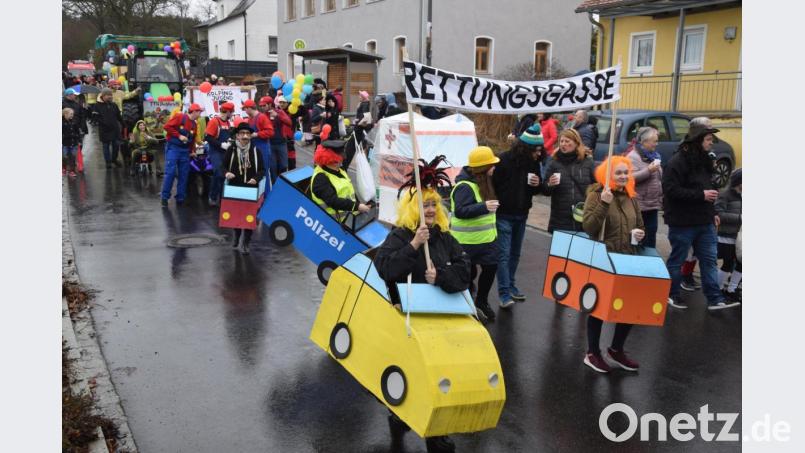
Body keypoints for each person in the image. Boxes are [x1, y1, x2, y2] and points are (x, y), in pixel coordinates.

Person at [374, 157, 470, 453]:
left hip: (442, 317)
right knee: (413, 372)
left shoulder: (444, 236)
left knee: (440, 375)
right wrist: (414, 245)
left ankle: (436, 433)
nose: (430, 211)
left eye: (433, 205)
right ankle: (401, 411)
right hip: (410, 318)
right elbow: (386, 269)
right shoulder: (400, 235)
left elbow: (467, 271)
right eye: (424, 205)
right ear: (413, 208)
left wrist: (440, 276)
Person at [662, 122, 740, 311]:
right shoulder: (677, 162)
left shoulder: (705, 161)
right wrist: (701, 195)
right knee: (678, 259)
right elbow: (670, 191)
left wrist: (712, 212)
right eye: (708, 139)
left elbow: (710, 190)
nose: (711, 143)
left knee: (709, 261)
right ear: (697, 141)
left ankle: (715, 299)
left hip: (705, 221)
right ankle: (671, 294)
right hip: (682, 222)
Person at [581, 156, 645, 373]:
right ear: (607, 175)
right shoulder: (596, 195)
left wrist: (639, 233)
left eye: (625, 172)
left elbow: (640, 226)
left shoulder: (631, 198)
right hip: (604, 259)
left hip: (627, 258)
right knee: (599, 308)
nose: (623, 176)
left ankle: (616, 350)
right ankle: (592, 353)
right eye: (618, 173)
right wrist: (604, 204)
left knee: (629, 307)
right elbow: (589, 227)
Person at [492, 124, 543, 308]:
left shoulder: (534, 163)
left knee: (515, 254)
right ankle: (504, 294)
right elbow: (493, 185)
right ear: (526, 148)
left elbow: (538, 188)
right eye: (536, 150)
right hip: (503, 214)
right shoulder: (503, 160)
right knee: (504, 255)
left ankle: (511, 286)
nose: (539, 154)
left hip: (522, 214)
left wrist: (538, 184)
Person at [450, 146, 500, 322]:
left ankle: (481, 301)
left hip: (487, 241)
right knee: (468, 275)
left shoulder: (484, 182)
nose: (495, 168)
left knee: (491, 267)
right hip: (467, 243)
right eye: (492, 165)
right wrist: (484, 207)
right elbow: (460, 211)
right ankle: (468, 304)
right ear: (484, 168)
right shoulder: (464, 186)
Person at [542, 129, 596, 233]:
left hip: (583, 216)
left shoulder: (587, 162)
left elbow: (597, 185)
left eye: (567, 141)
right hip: (560, 218)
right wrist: (550, 184)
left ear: (576, 143)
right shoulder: (554, 162)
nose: (563, 144)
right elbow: (545, 190)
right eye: (561, 141)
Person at [224, 122, 266, 255]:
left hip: (250, 188)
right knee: (236, 217)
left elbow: (262, 170)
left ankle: (246, 243)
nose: (245, 136)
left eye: (248, 134)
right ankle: (236, 236)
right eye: (242, 133)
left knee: (249, 218)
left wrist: (255, 179)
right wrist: (227, 173)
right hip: (235, 187)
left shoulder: (256, 151)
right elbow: (222, 166)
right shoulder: (231, 150)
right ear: (237, 135)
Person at [310, 140, 371, 221]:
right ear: (333, 160)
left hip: (350, 219)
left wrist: (358, 204)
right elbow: (333, 201)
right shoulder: (320, 178)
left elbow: (350, 149)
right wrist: (357, 206)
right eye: (341, 158)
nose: (343, 159)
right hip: (334, 224)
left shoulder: (340, 169)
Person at [160, 103, 203, 207]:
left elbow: (192, 140)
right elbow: (167, 127)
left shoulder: (194, 124)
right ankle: (165, 198)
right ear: (194, 111)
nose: (200, 114)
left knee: (184, 175)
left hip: (185, 151)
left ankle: (180, 198)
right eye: (199, 112)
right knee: (170, 173)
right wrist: (179, 135)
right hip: (173, 148)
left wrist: (192, 151)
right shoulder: (180, 117)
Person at [627, 126, 663, 248]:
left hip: (652, 205)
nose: (656, 144)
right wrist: (648, 170)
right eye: (654, 141)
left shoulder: (654, 156)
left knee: (650, 238)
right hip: (640, 206)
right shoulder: (633, 157)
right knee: (639, 240)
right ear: (645, 141)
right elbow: (629, 178)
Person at [715, 168, 742, 302]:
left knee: (741, 264)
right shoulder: (725, 195)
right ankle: (718, 289)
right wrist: (739, 218)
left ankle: (732, 289)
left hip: (739, 238)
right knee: (728, 262)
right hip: (726, 236)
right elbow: (718, 213)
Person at [205, 101, 235, 206]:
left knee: (225, 175)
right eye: (231, 112)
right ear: (227, 112)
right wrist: (221, 145)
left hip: (226, 152)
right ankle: (213, 197)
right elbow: (207, 137)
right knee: (218, 174)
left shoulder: (228, 123)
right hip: (215, 152)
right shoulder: (214, 121)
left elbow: (229, 136)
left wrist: (230, 141)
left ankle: (223, 199)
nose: (232, 114)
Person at [91, 88, 124, 169]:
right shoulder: (97, 106)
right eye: (108, 95)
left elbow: (118, 116)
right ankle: (108, 162)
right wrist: (104, 123)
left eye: (110, 95)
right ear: (103, 96)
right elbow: (95, 118)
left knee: (116, 146)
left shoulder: (114, 105)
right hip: (104, 130)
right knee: (106, 147)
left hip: (115, 129)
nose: (110, 97)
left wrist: (124, 124)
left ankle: (114, 159)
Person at [244, 99, 274, 181]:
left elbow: (270, 132)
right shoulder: (250, 119)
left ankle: (267, 192)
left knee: (264, 172)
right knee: (256, 172)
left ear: (249, 108)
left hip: (263, 148)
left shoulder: (262, 117)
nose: (245, 111)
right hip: (253, 149)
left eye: (245, 109)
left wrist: (257, 134)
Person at [264, 96, 292, 181]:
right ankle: (275, 185)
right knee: (273, 167)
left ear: (270, 104)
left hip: (281, 142)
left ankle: (283, 184)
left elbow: (289, 122)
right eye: (261, 106)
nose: (262, 107)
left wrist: (278, 116)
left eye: (264, 105)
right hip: (270, 143)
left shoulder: (279, 112)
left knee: (283, 165)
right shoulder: (264, 115)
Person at [62, 107, 81, 177]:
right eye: (70, 114)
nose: (72, 115)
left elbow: (78, 132)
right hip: (65, 143)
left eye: (72, 114)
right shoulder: (62, 123)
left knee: (72, 157)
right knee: (65, 157)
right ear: (65, 114)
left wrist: (79, 140)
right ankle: (64, 168)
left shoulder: (74, 122)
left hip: (74, 143)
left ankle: (72, 171)